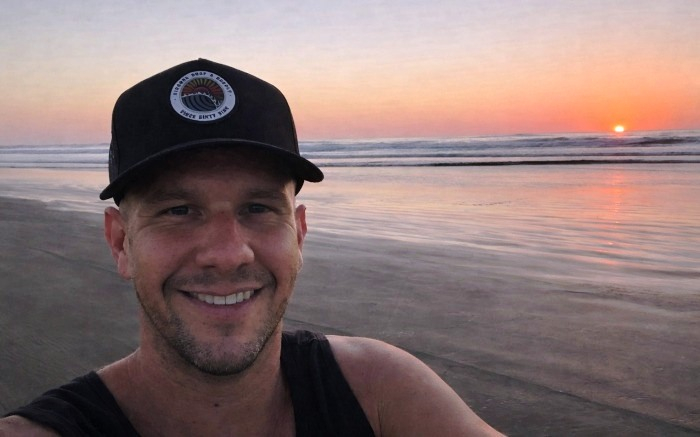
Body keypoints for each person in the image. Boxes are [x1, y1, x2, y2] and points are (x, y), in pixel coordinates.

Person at [0, 59, 502, 436]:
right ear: (120, 242)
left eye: (258, 208)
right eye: (179, 210)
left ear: (298, 234)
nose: (228, 253)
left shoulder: (378, 389)